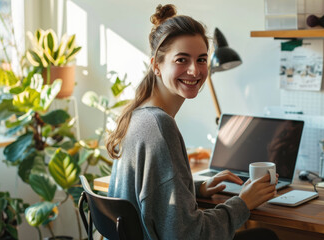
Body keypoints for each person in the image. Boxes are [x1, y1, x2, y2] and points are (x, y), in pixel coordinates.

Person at [106, 4, 278, 240]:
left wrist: (195, 189)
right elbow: (188, 235)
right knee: (265, 236)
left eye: (201, 59)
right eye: (181, 60)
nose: (194, 70)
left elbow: (154, 197)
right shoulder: (160, 126)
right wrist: (243, 203)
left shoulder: (138, 115)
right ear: (156, 65)